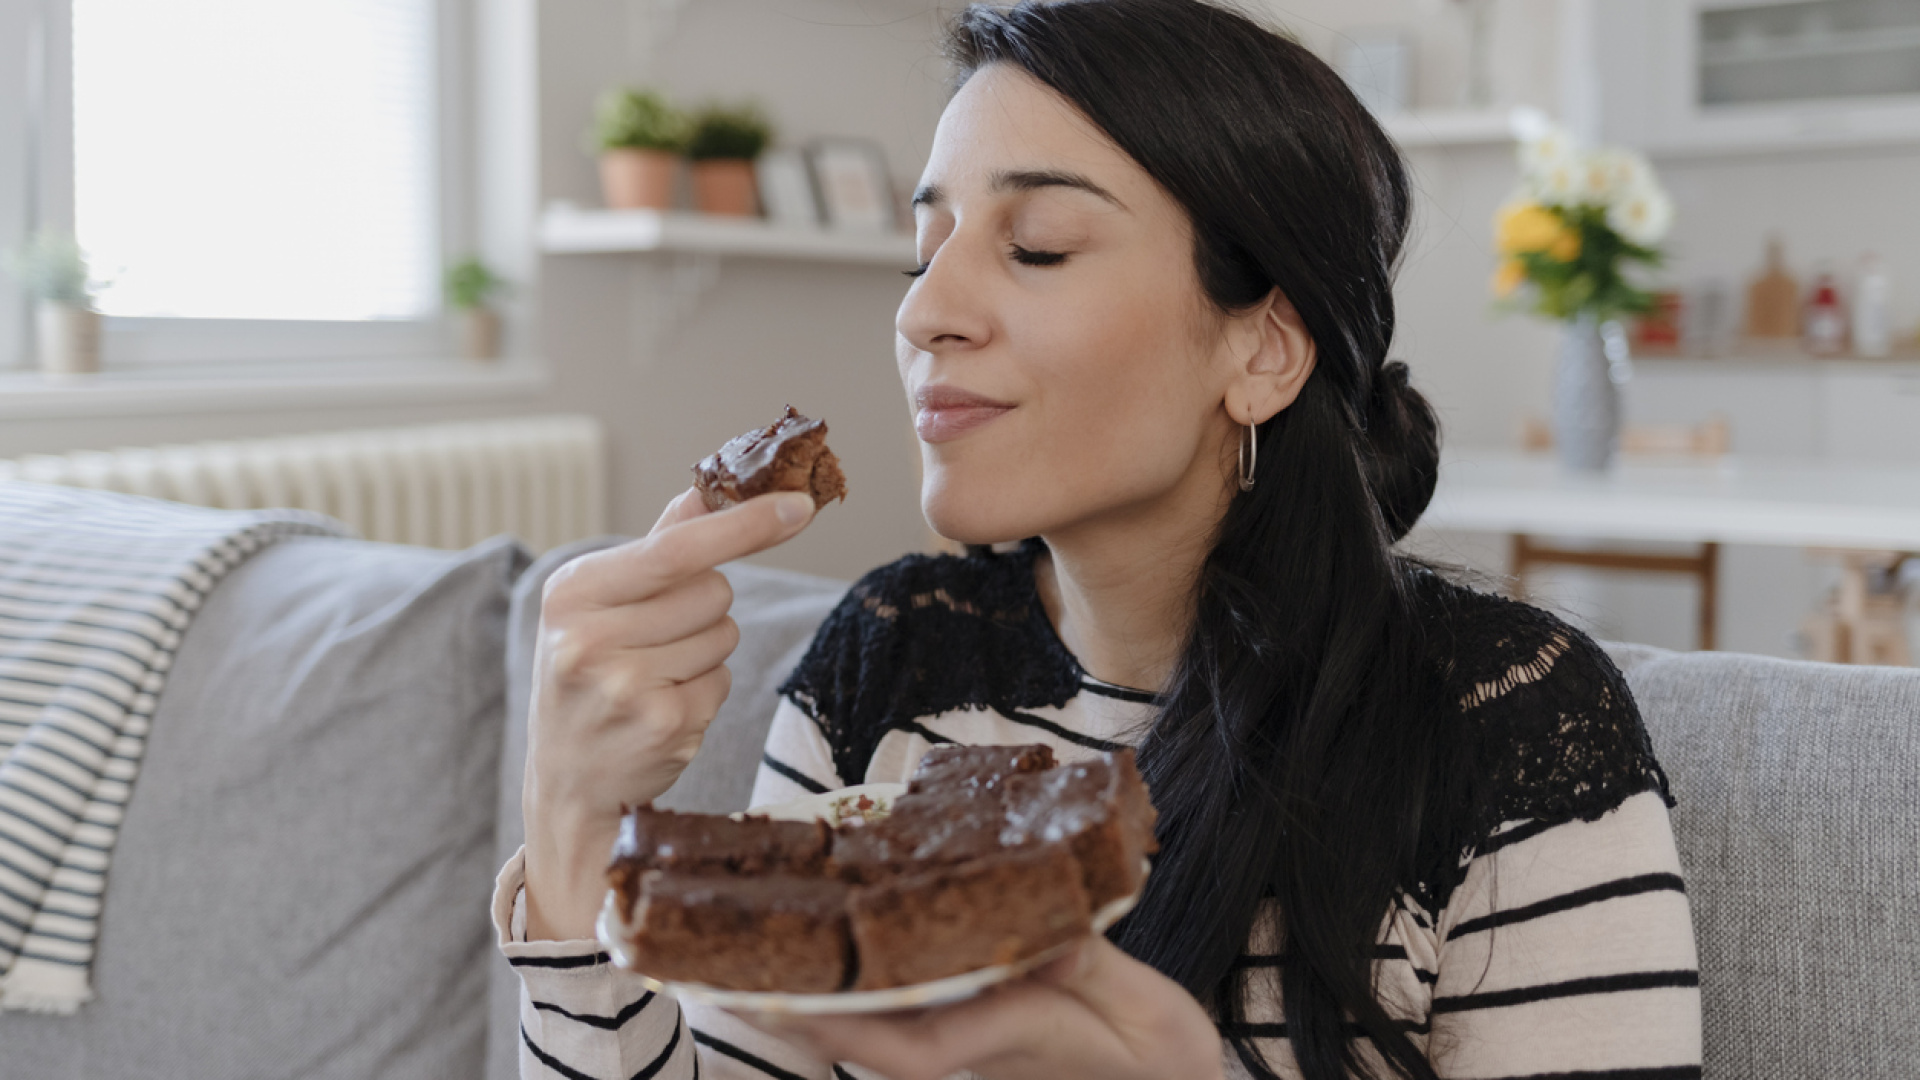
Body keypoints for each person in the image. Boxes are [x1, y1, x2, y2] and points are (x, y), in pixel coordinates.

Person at [496, 2, 1704, 1078]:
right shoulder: (892, 660)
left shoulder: (1507, 721)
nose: (922, 311)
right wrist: (567, 820)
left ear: (1263, 348)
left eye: (1038, 249)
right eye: (924, 251)